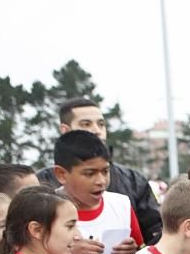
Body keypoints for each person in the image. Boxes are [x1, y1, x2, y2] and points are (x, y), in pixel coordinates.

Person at [36, 98, 161, 244]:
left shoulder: (133, 181)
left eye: (101, 124)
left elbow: (153, 235)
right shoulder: (41, 184)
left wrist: (135, 251)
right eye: (86, 124)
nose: (96, 130)